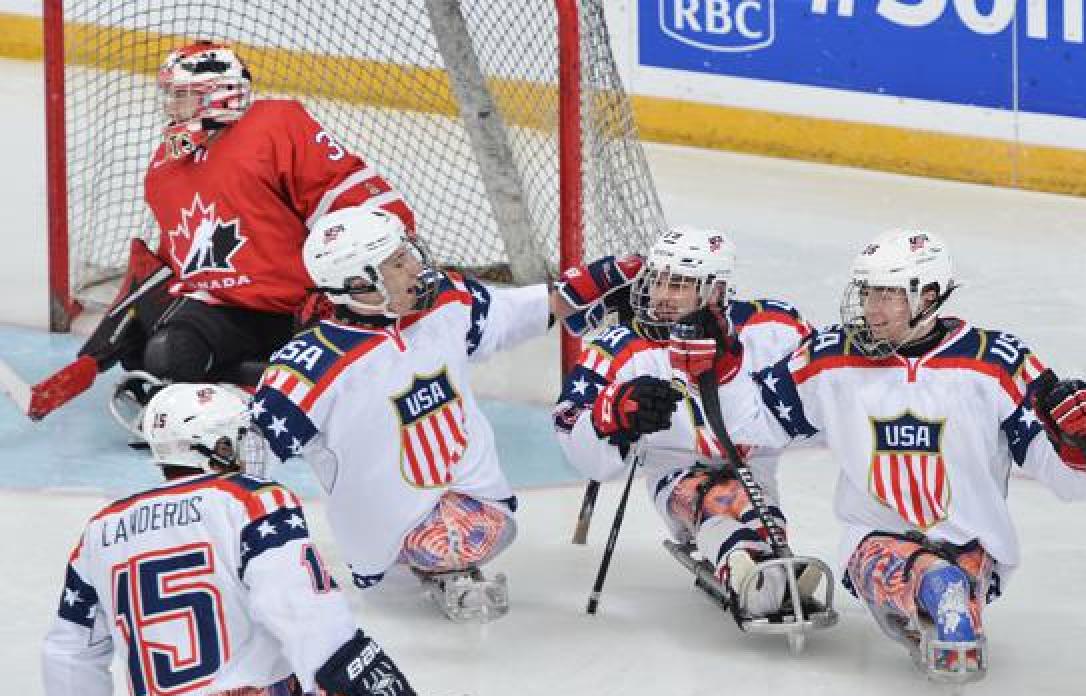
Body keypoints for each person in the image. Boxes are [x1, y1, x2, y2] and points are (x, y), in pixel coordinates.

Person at [741, 228, 1086, 689]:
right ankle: (937, 586)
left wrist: (1085, 440)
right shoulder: (831, 357)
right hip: (874, 545)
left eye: (890, 294)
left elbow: (1072, 483)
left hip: (973, 550)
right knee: (937, 583)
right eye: (868, 292)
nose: (872, 308)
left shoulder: (996, 363)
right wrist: (713, 368)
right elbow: (749, 424)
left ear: (930, 296)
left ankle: (947, 588)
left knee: (952, 586)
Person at [41, 383, 420, 696]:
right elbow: (298, 606)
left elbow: (69, 648)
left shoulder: (100, 529)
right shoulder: (254, 501)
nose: (247, 446)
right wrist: (363, 673)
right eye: (238, 436)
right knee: (342, 674)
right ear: (212, 445)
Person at [250, 205, 626, 621]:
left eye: (408, 252)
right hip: (383, 538)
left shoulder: (445, 302)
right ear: (359, 283)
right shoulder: (311, 365)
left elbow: (512, 314)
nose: (415, 267)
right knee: (440, 541)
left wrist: (590, 286)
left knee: (470, 531)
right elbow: (251, 453)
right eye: (397, 262)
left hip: (478, 502)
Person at [79, 41, 415, 421]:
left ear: (219, 96)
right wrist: (122, 327)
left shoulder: (275, 126)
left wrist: (373, 272)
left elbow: (349, 198)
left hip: (306, 306)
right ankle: (257, 389)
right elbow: (176, 262)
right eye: (170, 96)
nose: (171, 107)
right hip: (228, 310)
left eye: (183, 96)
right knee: (169, 354)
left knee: (350, 378)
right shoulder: (165, 168)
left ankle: (253, 388)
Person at [553, 226, 832, 627]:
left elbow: (827, 386)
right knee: (724, 505)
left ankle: (756, 568)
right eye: (658, 281)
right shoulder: (620, 347)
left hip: (756, 461)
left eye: (680, 284)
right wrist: (611, 416)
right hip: (674, 470)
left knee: (754, 513)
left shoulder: (771, 327)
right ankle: (758, 572)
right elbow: (572, 432)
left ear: (715, 291)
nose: (662, 295)